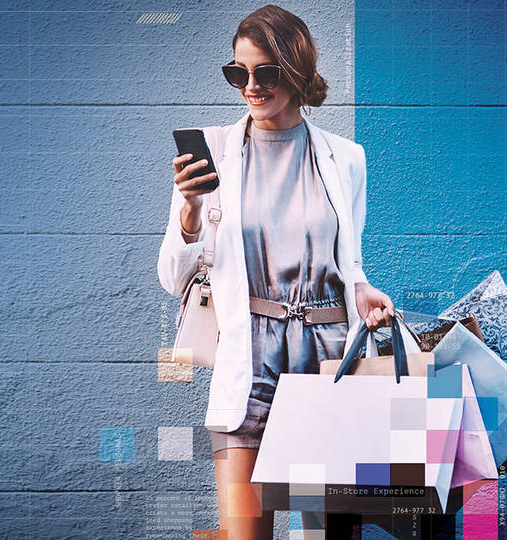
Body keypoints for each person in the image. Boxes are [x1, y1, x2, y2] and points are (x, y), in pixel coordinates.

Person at [157, 5, 395, 539]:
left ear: (295, 69)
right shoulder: (213, 151)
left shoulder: (345, 158)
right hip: (250, 361)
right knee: (244, 531)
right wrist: (190, 209)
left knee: (329, 534)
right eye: (238, 73)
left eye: (264, 72)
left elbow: (347, 263)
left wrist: (362, 290)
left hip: (329, 357)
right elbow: (173, 276)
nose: (250, 87)